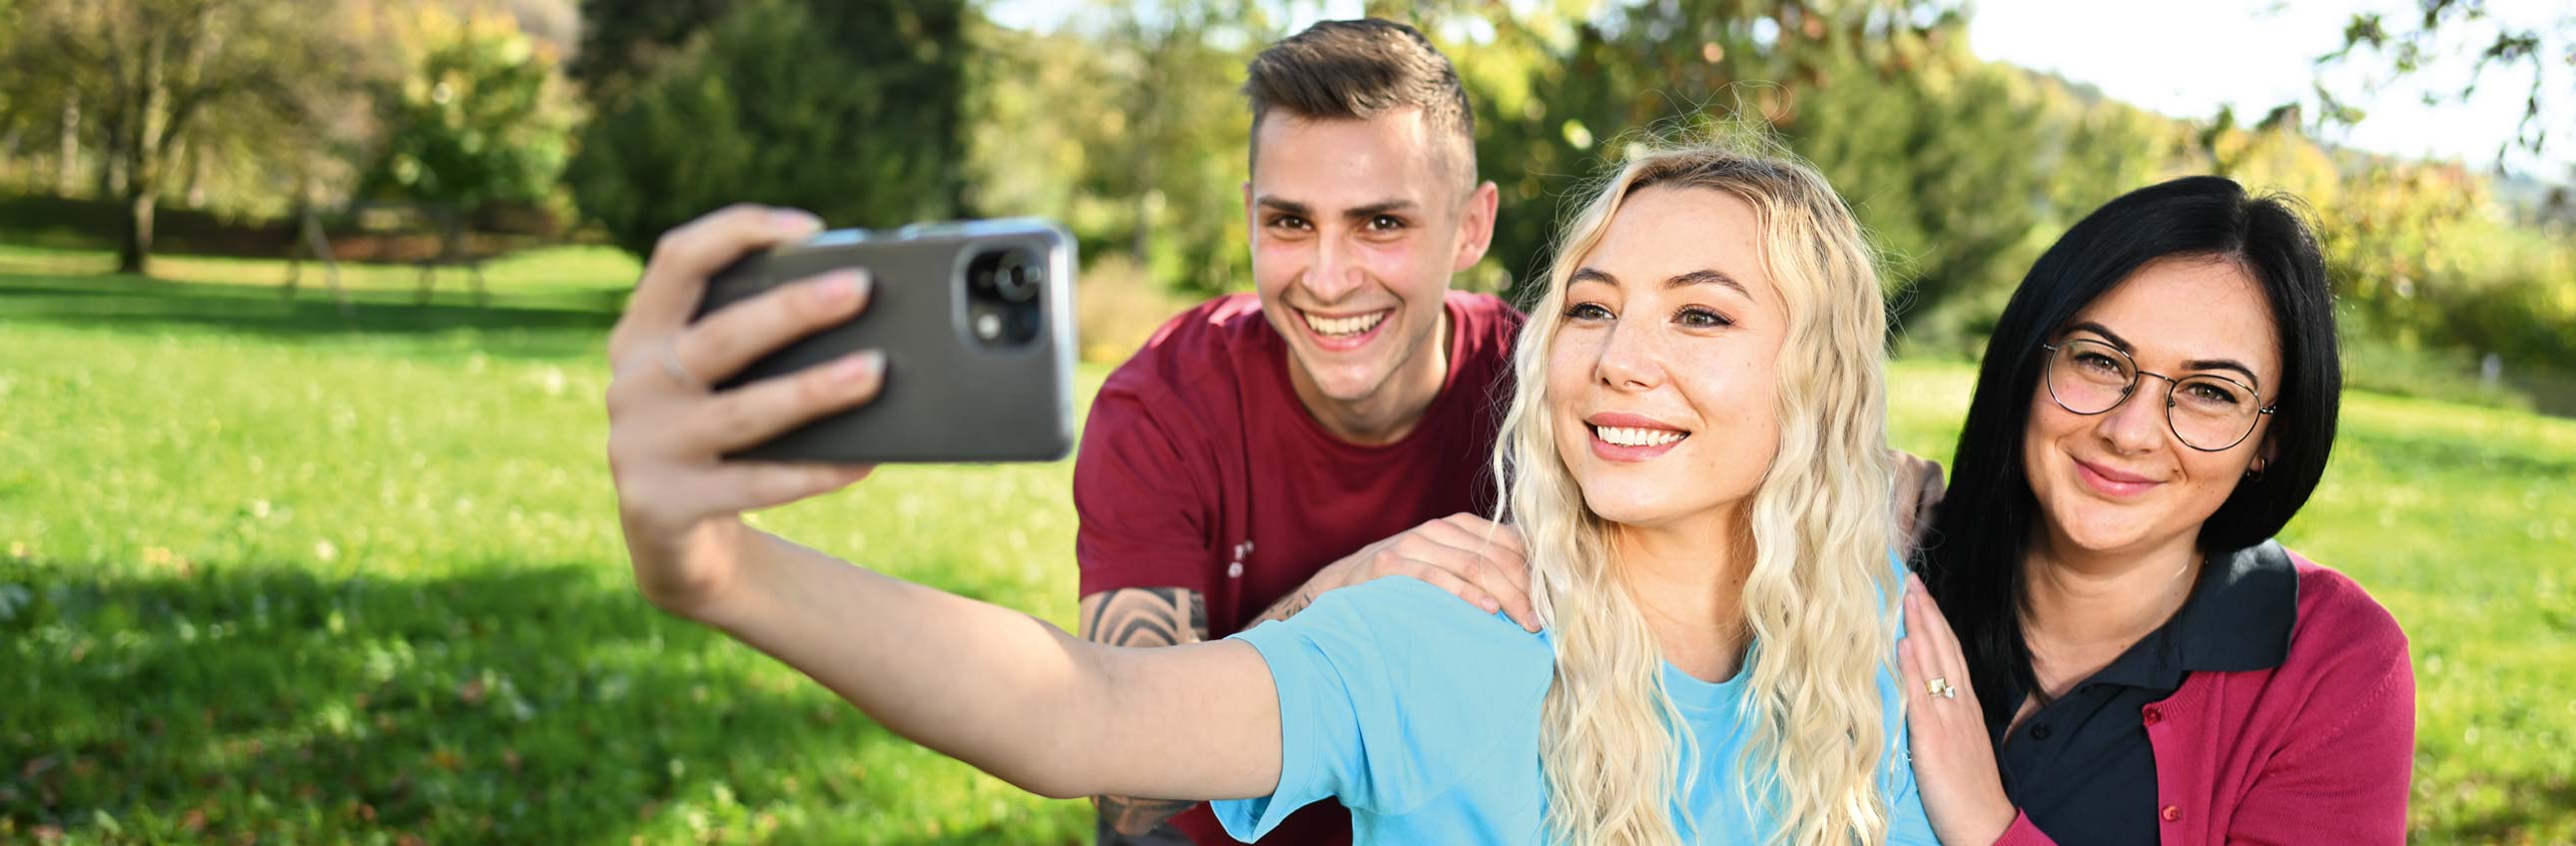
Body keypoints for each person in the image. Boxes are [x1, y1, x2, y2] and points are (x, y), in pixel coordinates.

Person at [598, 138, 1938, 845]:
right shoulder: (1450, 629)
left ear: (1814, 380)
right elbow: (1088, 713)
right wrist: (721, 568)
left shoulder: (1875, 629)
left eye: (1701, 317)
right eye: (1590, 305)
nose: (1619, 357)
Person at [1069, 20, 1522, 844]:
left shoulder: (1546, 394)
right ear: (1248, 216)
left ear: (1471, 225)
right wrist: (1339, 593)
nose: (1327, 277)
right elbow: (1129, 791)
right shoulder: (1162, 406)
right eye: (1289, 223)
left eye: (1381, 223)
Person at [1895, 176, 2415, 845]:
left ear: (2269, 442)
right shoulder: (1884, 558)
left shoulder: (2335, 663)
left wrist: (1986, 824)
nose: (2131, 430)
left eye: (2208, 391)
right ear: (2030, 362)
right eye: (2100, 360)